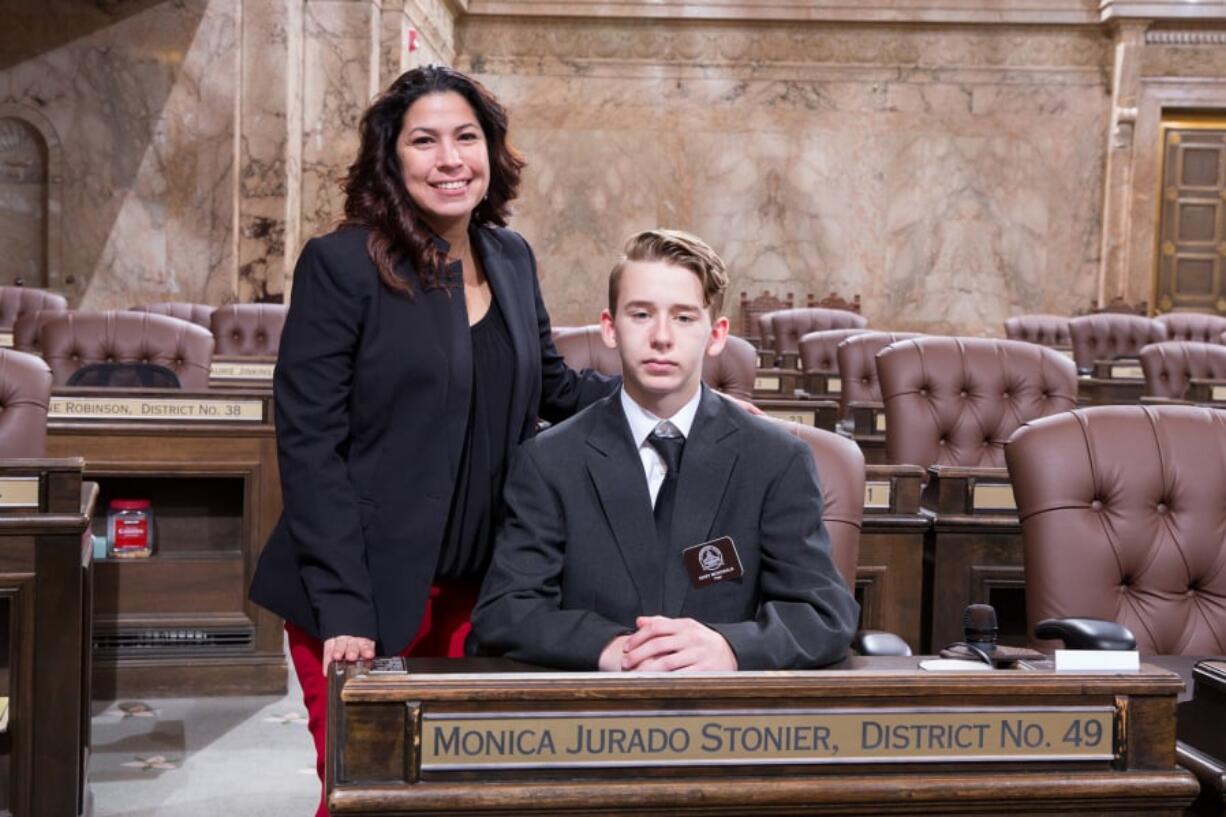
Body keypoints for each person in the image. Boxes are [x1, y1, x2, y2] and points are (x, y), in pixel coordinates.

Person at [247, 66, 615, 816]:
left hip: (483, 592)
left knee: (467, 795)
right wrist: (346, 607)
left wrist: (665, 398)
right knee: (370, 794)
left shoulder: (509, 257)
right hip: (364, 592)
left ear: (492, 151)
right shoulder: (342, 263)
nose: (450, 159)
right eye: (425, 140)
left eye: (466, 138)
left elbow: (555, 387)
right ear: (393, 157)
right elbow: (309, 445)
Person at [472, 229, 859, 671]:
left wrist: (731, 647)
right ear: (609, 328)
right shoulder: (548, 461)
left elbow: (824, 615)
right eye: (640, 314)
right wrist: (609, 648)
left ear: (716, 335)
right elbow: (506, 612)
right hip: (593, 717)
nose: (661, 336)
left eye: (683, 318)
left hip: (727, 720)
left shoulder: (776, 460)